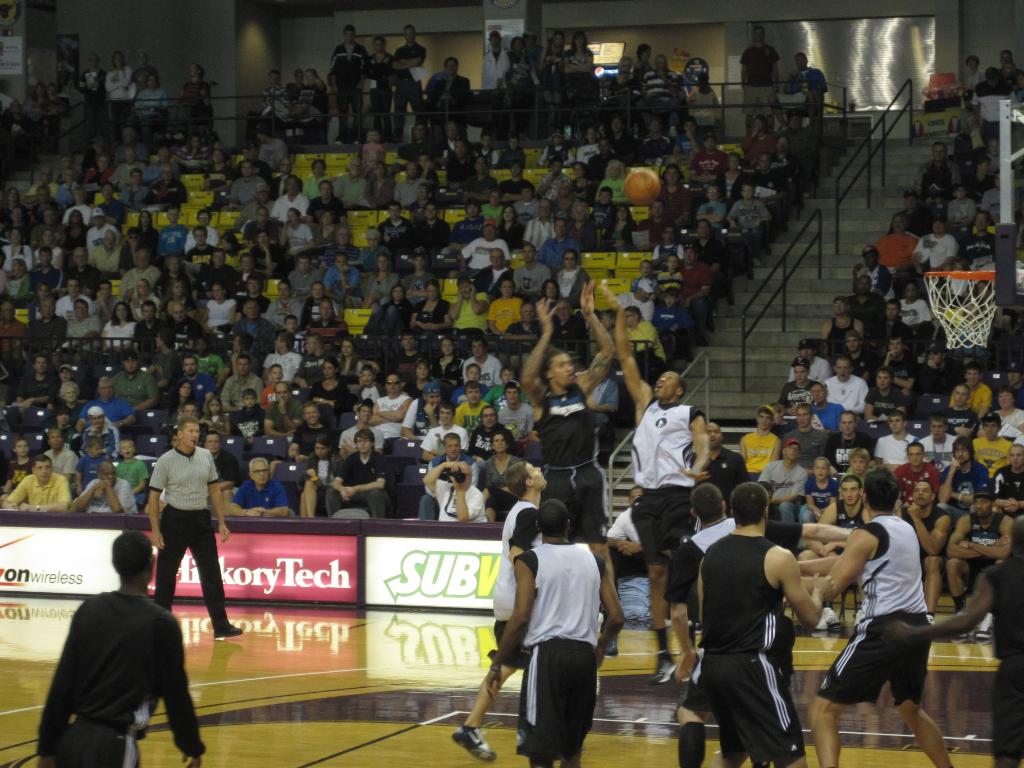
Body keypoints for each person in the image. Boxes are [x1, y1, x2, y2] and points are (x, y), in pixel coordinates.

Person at [668, 483, 848, 768]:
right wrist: (819, 591)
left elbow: (704, 612)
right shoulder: (778, 556)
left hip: (713, 665)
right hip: (752, 667)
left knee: (733, 752)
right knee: (792, 759)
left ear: (732, 511)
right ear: (766, 510)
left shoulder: (709, 555)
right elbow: (812, 619)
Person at [811, 470, 952, 768]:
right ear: (898, 499)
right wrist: (798, 567)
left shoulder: (867, 533)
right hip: (917, 628)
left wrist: (813, 587)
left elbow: (835, 582)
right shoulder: (905, 528)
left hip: (884, 629)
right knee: (911, 710)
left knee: (822, 710)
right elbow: (849, 558)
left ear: (863, 497)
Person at [603, 283, 709, 682]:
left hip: (679, 497)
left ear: (679, 389)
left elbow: (700, 438)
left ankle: (697, 640)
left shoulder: (686, 411)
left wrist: (698, 463)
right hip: (646, 500)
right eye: (660, 377)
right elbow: (626, 355)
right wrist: (617, 314)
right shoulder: (645, 404)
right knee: (655, 576)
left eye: (668, 377)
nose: (661, 379)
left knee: (687, 564)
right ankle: (665, 654)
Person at [36, 530, 204, 768]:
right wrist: (191, 746)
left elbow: (61, 687)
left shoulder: (88, 610)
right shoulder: (161, 623)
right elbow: (177, 695)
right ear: (152, 564)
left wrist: (47, 748)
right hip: (115, 747)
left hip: (72, 742)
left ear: (115, 564)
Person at [485, 499, 624, 768]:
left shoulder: (529, 560)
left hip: (547, 657)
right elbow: (617, 617)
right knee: (573, 751)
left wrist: (497, 662)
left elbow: (521, 616)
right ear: (569, 524)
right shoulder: (595, 561)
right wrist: (601, 646)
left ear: (538, 527)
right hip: (584, 658)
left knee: (541, 752)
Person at [885, 515, 1024, 768]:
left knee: (1007, 754)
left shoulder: (998, 575)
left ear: (1012, 541)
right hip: (1014, 667)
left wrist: (914, 632)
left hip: (1015, 670)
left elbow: (966, 620)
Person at [452, 461, 545, 760]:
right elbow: (519, 555)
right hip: (520, 601)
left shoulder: (519, 510)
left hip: (507, 598)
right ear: (529, 482)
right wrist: (526, 601)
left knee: (506, 664)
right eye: (535, 469)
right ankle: (530, 732)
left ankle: (471, 726)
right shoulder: (529, 513)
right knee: (537, 666)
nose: (540, 470)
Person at [522, 282, 614, 555]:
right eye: (562, 365)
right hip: (557, 477)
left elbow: (607, 353)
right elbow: (527, 377)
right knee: (554, 544)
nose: (569, 367)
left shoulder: (581, 387)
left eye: (570, 363)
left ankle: (604, 597)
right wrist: (546, 332)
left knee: (598, 546)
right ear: (549, 373)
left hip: (588, 473)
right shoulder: (541, 399)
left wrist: (589, 315)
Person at [147, 417, 241, 639]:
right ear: (179, 434)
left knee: (212, 574)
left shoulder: (206, 456)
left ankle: (221, 625)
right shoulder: (165, 461)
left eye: (197, 430)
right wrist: (155, 529)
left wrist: (222, 521)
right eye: (190, 430)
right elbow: (153, 496)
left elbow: (215, 490)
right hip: (174, 519)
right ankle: (161, 624)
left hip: (200, 519)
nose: (194, 434)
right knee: (166, 576)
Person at [946, 489, 1012, 623]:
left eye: (983, 502)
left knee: (1000, 562)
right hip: (970, 566)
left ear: (993, 504)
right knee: (952, 563)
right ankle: (960, 612)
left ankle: (990, 615)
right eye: (976, 502)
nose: (978, 505)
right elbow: (951, 550)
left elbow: (1004, 553)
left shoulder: (1005, 521)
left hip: (994, 567)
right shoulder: (966, 520)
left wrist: (971, 545)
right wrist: (992, 548)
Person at [900, 480, 952, 618]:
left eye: (925, 491)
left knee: (932, 560)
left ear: (933, 496)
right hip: (909, 558)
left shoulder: (942, 517)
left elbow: (933, 549)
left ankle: (929, 615)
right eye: (916, 490)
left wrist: (916, 519)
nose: (920, 493)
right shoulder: (902, 513)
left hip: (935, 561)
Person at [333, 428, 391, 518]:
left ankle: (377, 525)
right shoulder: (351, 458)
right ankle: (333, 524)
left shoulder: (379, 458)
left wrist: (356, 488)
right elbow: (336, 482)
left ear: (372, 443)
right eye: (359, 441)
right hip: (353, 495)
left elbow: (380, 484)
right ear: (356, 444)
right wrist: (342, 490)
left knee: (375, 493)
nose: (362, 444)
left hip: (371, 494)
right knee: (332, 491)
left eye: (366, 441)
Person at [0, 454, 71, 512]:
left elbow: (64, 506)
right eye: (40, 468)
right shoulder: (28, 480)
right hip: (33, 520)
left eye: (47, 467)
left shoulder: (61, 480)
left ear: (51, 468)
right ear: (33, 470)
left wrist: (36, 508)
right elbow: (8, 501)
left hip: (57, 522)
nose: (44, 471)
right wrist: (9, 506)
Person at [70, 460, 137, 514]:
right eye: (107, 474)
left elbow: (117, 511)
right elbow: (77, 508)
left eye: (113, 473)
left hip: (118, 523)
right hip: (94, 521)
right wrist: (93, 489)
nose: (111, 476)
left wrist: (107, 487)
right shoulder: (94, 483)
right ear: (99, 475)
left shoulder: (124, 485)